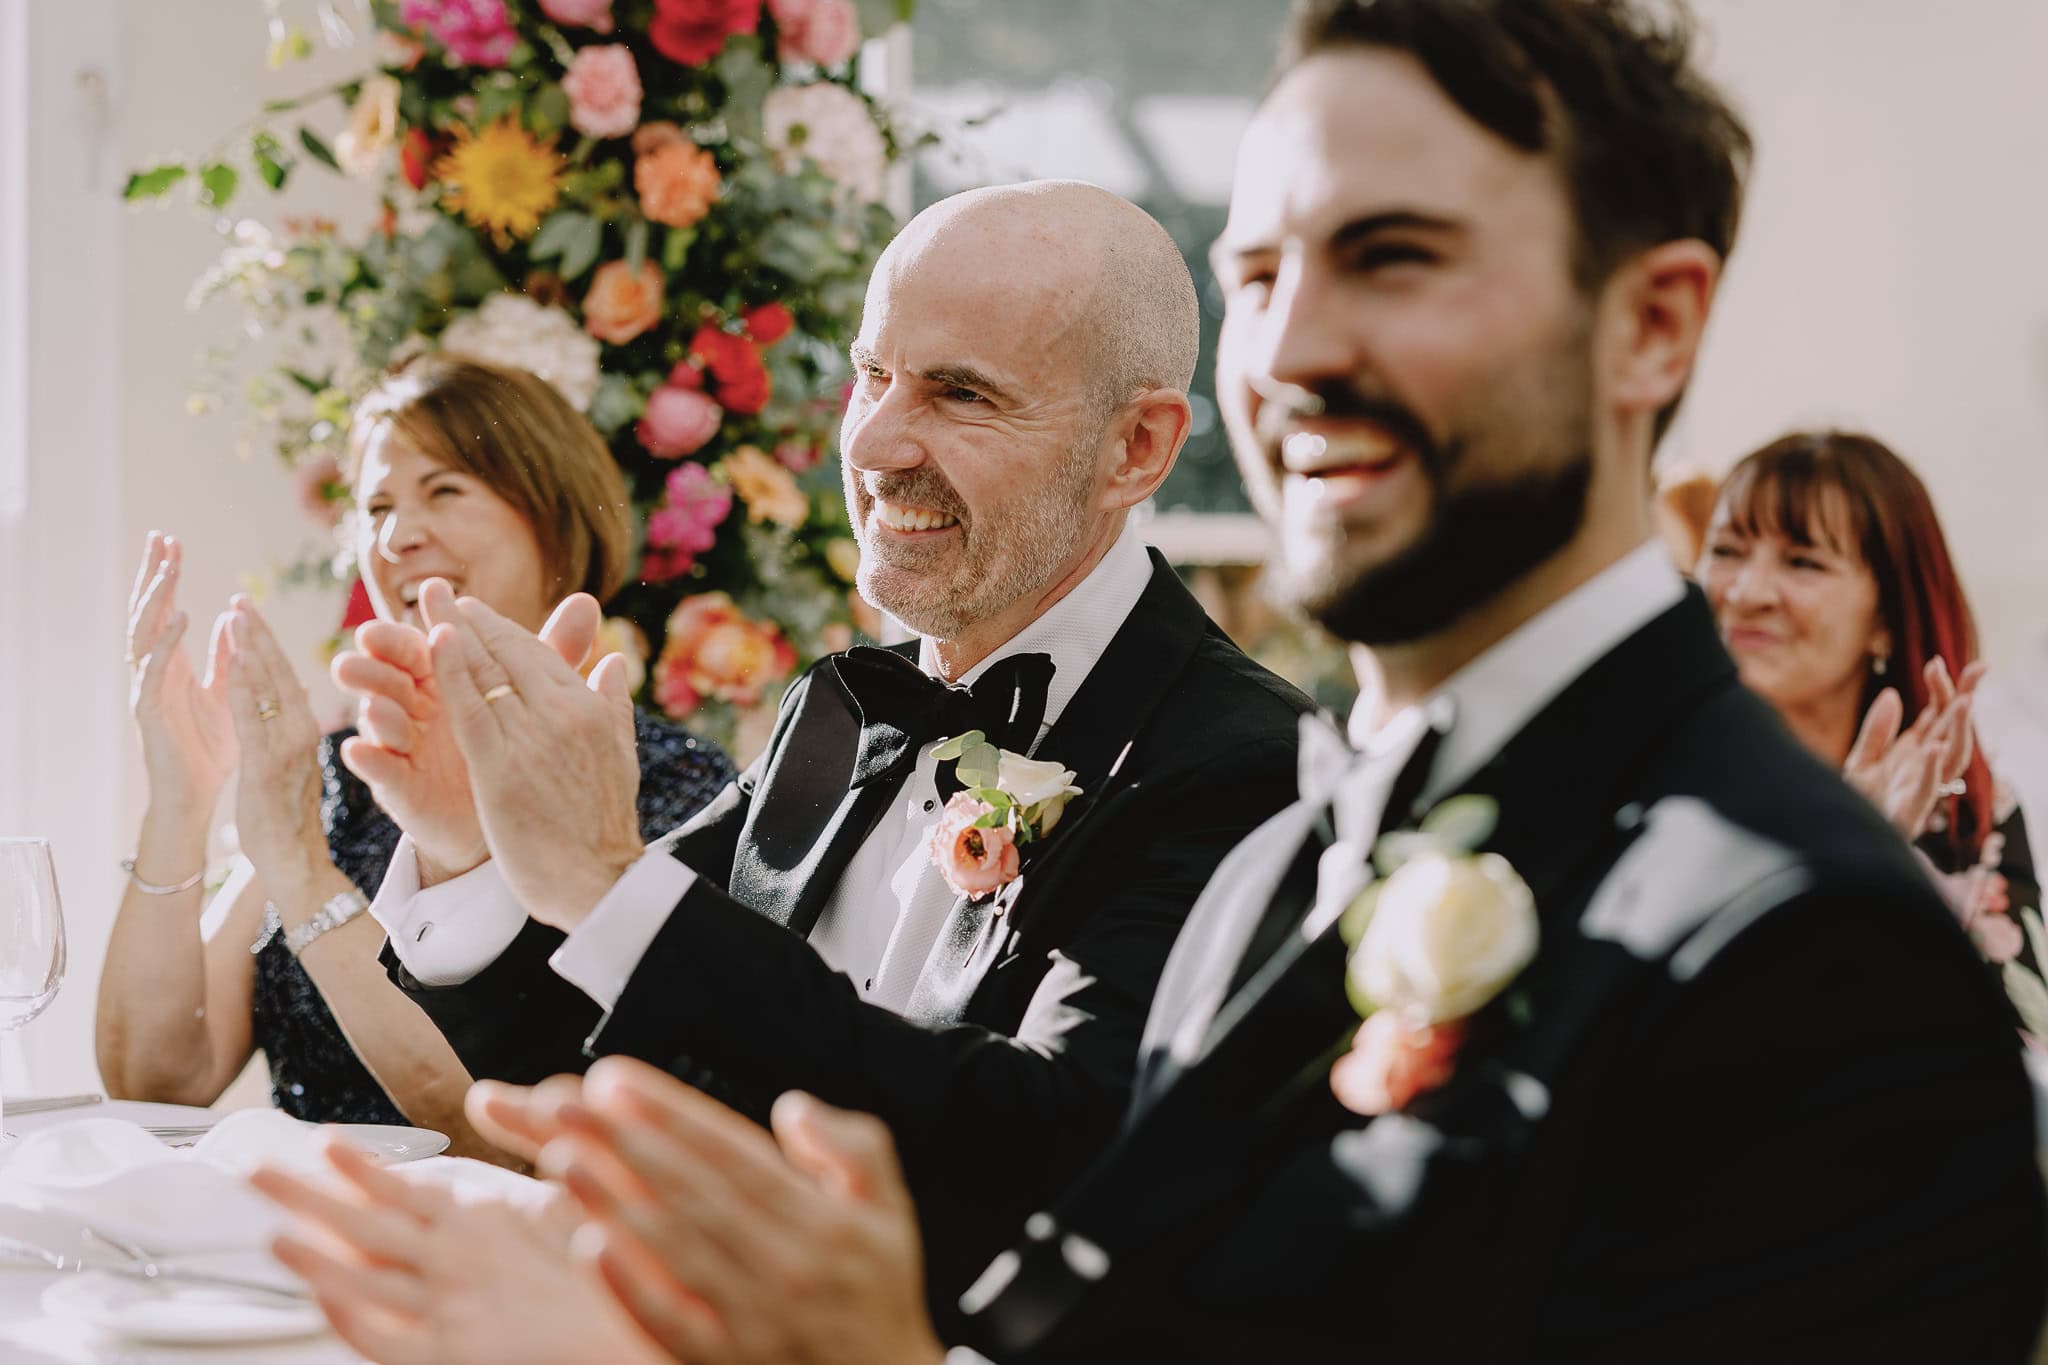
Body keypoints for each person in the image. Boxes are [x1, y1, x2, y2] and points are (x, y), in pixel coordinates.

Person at [257, 1, 2048, 1360]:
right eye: (1260, 270)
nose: (1296, 347)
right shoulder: (1309, 856)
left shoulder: (1811, 948)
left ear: (1648, 327)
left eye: (1394, 258)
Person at [325, 182, 1314, 1292]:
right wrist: (475, 845)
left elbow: (1049, 1148)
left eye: (959, 394)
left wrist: (603, 878)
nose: (875, 440)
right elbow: (585, 1051)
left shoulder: (1248, 765)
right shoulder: (841, 708)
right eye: (874, 375)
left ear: (1133, 447)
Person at [96, 356, 733, 1155]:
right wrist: (181, 795)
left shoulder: (671, 786)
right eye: (377, 506)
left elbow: (504, 1131)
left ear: (554, 521)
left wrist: (301, 869)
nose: (398, 536)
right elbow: (156, 1079)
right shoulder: (338, 774)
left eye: (445, 490)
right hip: (296, 1242)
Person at [1698, 430, 2042, 979]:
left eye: (1803, 562)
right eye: (1725, 552)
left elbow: (2020, 1048)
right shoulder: (1662, 787)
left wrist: (1877, 853)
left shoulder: (1962, 814)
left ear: (1885, 621)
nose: (1745, 593)